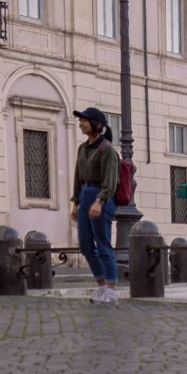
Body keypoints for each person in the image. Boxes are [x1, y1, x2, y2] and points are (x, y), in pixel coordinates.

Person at [71, 107, 121, 301]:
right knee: (85, 245)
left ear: (97, 125)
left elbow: (111, 182)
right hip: (85, 194)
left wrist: (100, 201)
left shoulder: (106, 149)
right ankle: (101, 286)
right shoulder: (82, 148)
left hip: (101, 196)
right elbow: (77, 176)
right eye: (80, 121)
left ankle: (111, 289)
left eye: (84, 120)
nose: (81, 124)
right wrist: (75, 202)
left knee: (103, 243)